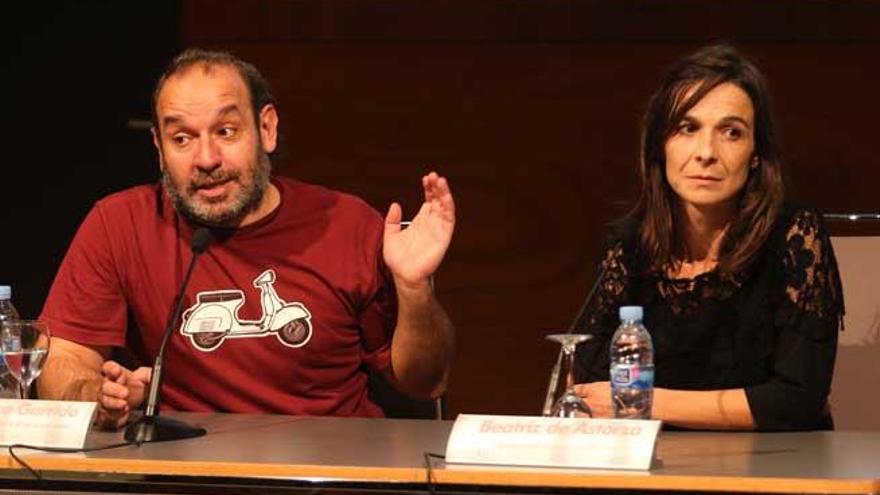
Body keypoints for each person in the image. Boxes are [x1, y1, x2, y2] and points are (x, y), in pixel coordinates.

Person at [36, 49, 455, 429]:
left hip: (331, 474)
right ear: (159, 149)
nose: (206, 159)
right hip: (182, 473)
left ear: (266, 129)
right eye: (182, 138)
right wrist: (97, 396)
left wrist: (414, 289)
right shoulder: (120, 224)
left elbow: (425, 382)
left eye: (226, 131)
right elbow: (62, 358)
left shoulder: (347, 224)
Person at [572, 44, 844, 431]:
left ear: (755, 155)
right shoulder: (627, 244)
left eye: (731, 133)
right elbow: (587, 385)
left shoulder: (796, 236)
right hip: (654, 470)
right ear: (661, 145)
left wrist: (644, 402)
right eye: (687, 128)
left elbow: (797, 399)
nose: (706, 153)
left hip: (775, 469)